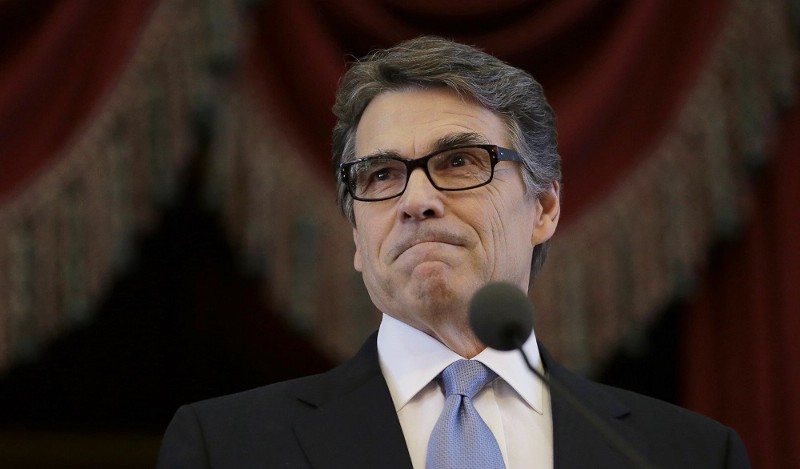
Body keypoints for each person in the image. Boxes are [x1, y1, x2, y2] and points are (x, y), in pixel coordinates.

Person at [157, 36, 750, 468]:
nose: (416, 200)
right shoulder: (226, 446)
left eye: (459, 162)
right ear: (358, 239)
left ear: (543, 209)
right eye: (382, 175)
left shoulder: (687, 454)